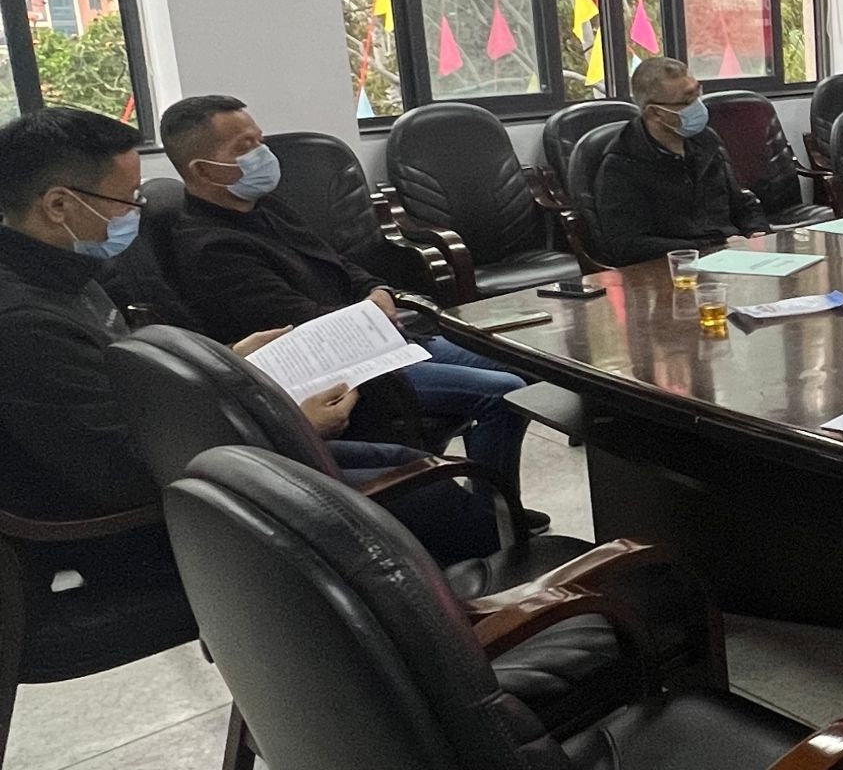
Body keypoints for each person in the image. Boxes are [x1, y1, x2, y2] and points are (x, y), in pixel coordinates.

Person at [0, 107, 497, 566]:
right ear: (59, 205)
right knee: (427, 496)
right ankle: (474, 614)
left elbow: (134, 384)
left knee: (409, 464)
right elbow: (122, 469)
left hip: (193, 454)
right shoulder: (25, 323)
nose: (136, 210)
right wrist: (290, 425)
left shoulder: (68, 272)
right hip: (152, 515)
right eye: (126, 199)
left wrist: (230, 359)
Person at [157, 94, 535, 514]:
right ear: (202, 169)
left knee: (519, 361)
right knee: (504, 392)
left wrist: (377, 291)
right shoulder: (209, 249)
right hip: (340, 370)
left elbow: (338, 263)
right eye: (244, 147)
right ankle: (494, 515)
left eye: (259, 140)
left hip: (378, 341)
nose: (262, 153)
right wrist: (368, 318)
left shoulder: (264, 207)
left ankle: (492, 503)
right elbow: (297, 325)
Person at [595, 56, 769, 263]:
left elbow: (742, 202)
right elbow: (629, 245)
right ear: (655, 113)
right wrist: (711, 247)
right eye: (687, 101)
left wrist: (757, 232)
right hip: (672, 268)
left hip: (732, 257)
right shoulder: (622, 164)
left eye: (697, 94)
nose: (698, 106)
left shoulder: (706, 140)